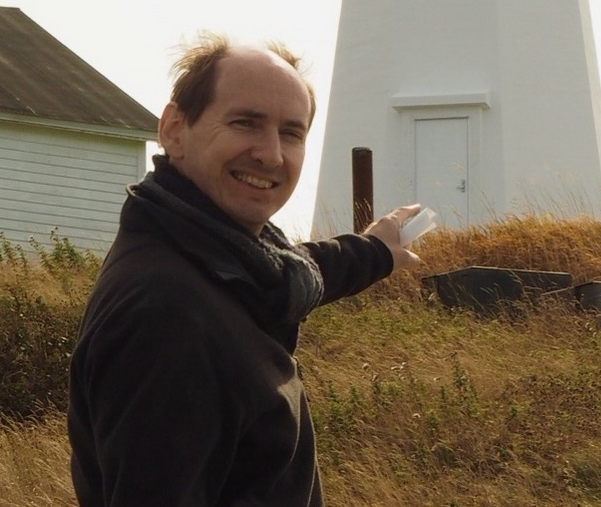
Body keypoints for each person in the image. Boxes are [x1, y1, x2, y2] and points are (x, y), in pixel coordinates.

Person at [68, 34, 420, 507]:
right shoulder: (166, 314)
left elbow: (285, 276)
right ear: (174, 130)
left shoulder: (219, 259)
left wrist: (373, 251)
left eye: (291, 133)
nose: (271, 154)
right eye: (245, 123)